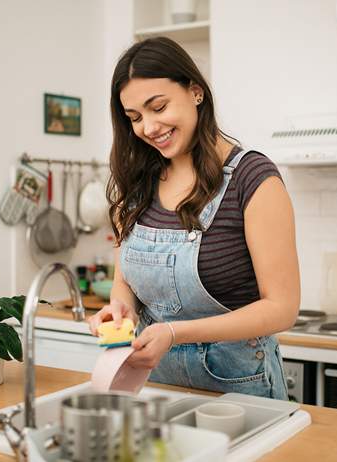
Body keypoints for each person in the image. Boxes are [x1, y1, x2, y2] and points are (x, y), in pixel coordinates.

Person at [87, 37, 299, 400]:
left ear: (195, 91)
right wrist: (122, 310)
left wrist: (174, 333)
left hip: (240, 393)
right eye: (135, 117)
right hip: (156, 388)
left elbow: (282, 308)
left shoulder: (253, 179)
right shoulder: (139, 182)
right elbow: (125, 283)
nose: (149, 127)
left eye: (158, 107)